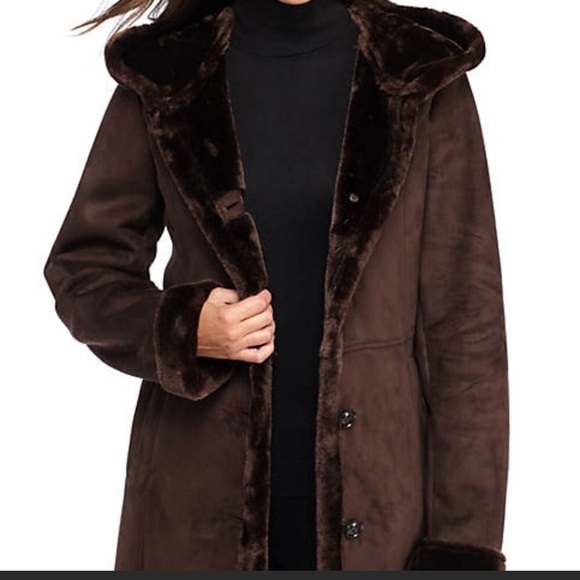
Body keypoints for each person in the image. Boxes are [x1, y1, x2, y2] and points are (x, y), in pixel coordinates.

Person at [43, 0, 510, 571]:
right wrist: (184, 329)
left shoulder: (419, 70)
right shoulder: (169, 70)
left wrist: (463, 548)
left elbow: (466, 327)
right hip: (195, 514)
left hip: (383, 517)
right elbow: (84, 268)